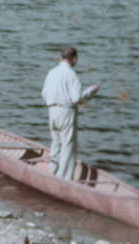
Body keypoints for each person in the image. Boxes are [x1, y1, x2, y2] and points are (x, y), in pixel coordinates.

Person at [40, 46, 99, 180]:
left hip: (52, 110)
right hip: (66, 111)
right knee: (68, 146)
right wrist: (90, 91)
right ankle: (64, 179)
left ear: (61, 57)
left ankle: (53, 172)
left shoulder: (51, 72)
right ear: (74, 59)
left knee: (56, 143)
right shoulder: (71, 74)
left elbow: (44, 93)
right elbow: (76, 98)